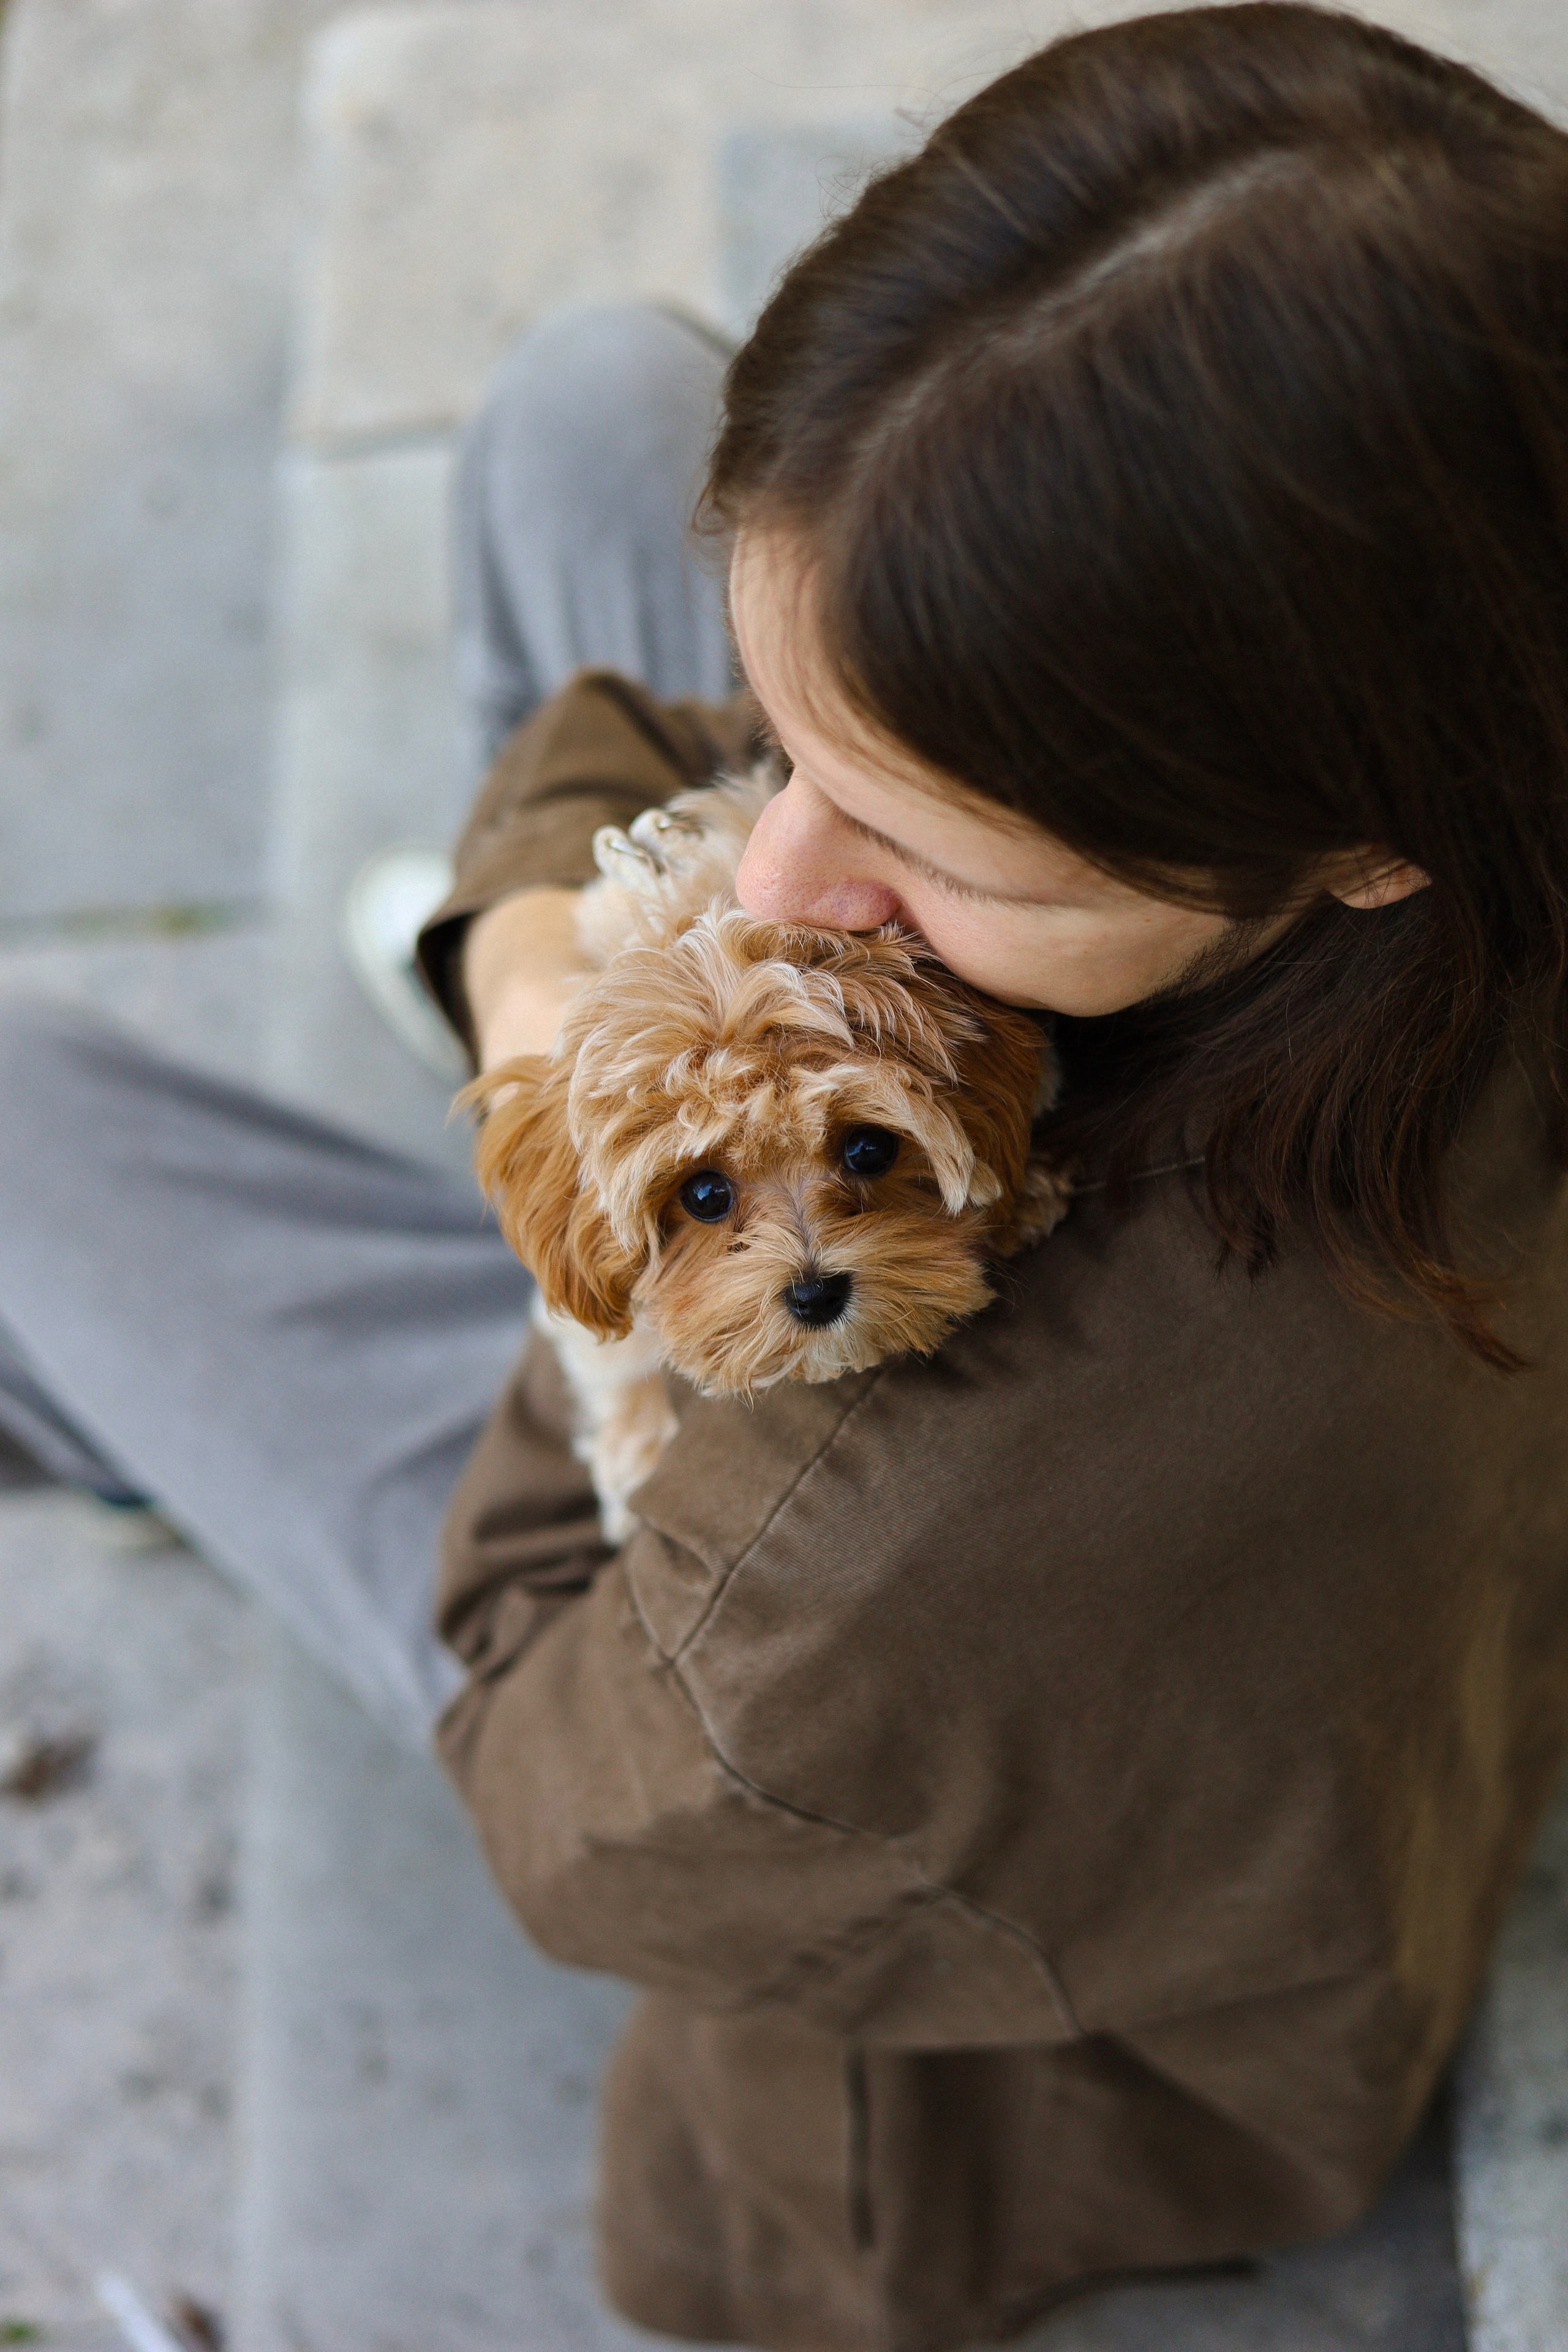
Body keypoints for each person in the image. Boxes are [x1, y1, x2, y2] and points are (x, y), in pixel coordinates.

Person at [2, 7, 1568, 2349]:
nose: (775, 873)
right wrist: (566, 970)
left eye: (920, 838)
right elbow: (741, 761)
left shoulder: (888, 1533)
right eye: (801, 747)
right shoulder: (1488, 685)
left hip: (762, 1690)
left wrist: (605, 1219)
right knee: (588, 410)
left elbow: (579, 1812)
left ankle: (150, 1421)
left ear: (1339, 840)